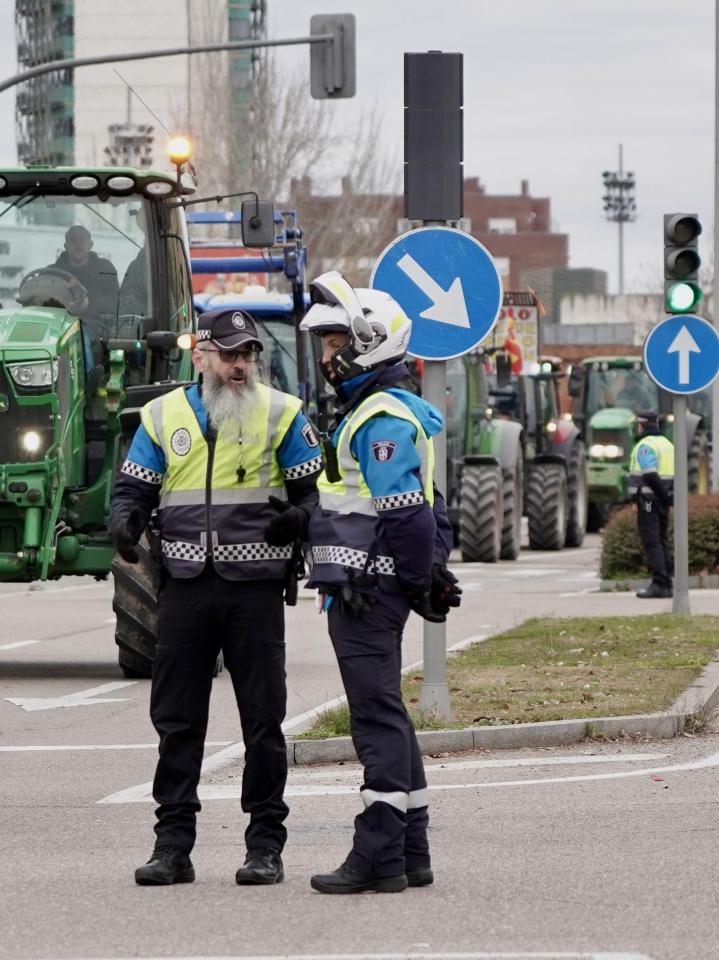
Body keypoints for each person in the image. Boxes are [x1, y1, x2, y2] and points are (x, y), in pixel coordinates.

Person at [109, 308, 324, 888]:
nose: (240, 364)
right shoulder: (161, 416)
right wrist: (125, 519)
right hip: (183, 589)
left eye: (248, 354)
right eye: (229, 353)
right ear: (200, 355)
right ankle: (172, 846)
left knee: (262, 723)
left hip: (253, 594)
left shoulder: (283, 413)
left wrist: (298, 521)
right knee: (177, 722)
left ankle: (265, 847)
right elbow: (132, 486)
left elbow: (315, 498)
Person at [298, 272, 462, 895]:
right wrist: (425, 578)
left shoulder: (381, 417)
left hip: (369, 592)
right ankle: (411, 850)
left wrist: (420, 580)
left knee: (374, 719)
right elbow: (424, 505)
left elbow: (409, 514)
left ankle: (377, 855)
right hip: (368, 586)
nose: (325, 355)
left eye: (335, 341)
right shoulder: (376, 409)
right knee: (388, 714)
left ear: (369, 342)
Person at [630, 413, 676, 600]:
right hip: (663, 501)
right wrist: (669, 499)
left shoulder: (645, 446)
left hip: (648, 500)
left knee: (652, 542)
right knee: (662, 541)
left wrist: (663, 497)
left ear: (642, 426)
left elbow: (650, 474)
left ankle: (659, 583)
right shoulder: (668, 445)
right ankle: (666, 584)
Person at [44, 224, 119, 317]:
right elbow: (42, 301)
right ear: (65, 245)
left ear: (91, 245)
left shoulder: (105, 269)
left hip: (96, 324)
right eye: (73, 240)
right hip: (60, 323)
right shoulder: (51, 272)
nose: (78, 244)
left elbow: (115, 302)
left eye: (83, 239)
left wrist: (88, 303)